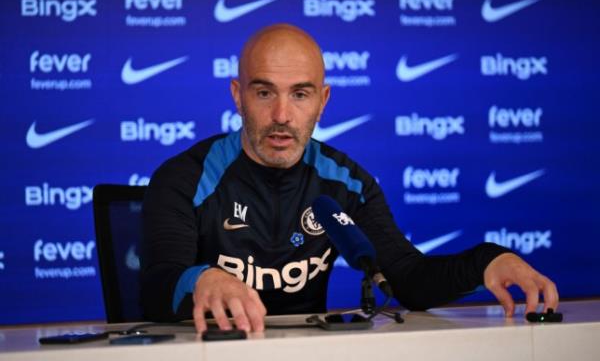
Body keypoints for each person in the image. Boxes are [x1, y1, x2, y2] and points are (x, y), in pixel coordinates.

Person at [141, 23, 559, 333]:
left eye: (300, 94)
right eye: (264, 92)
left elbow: (408, 279)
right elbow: (156, 287)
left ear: (322, 101)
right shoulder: (185, 177)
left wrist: (487, 260)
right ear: (237, 95)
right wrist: (201, 279)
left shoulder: (346, 183)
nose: (282, 116)